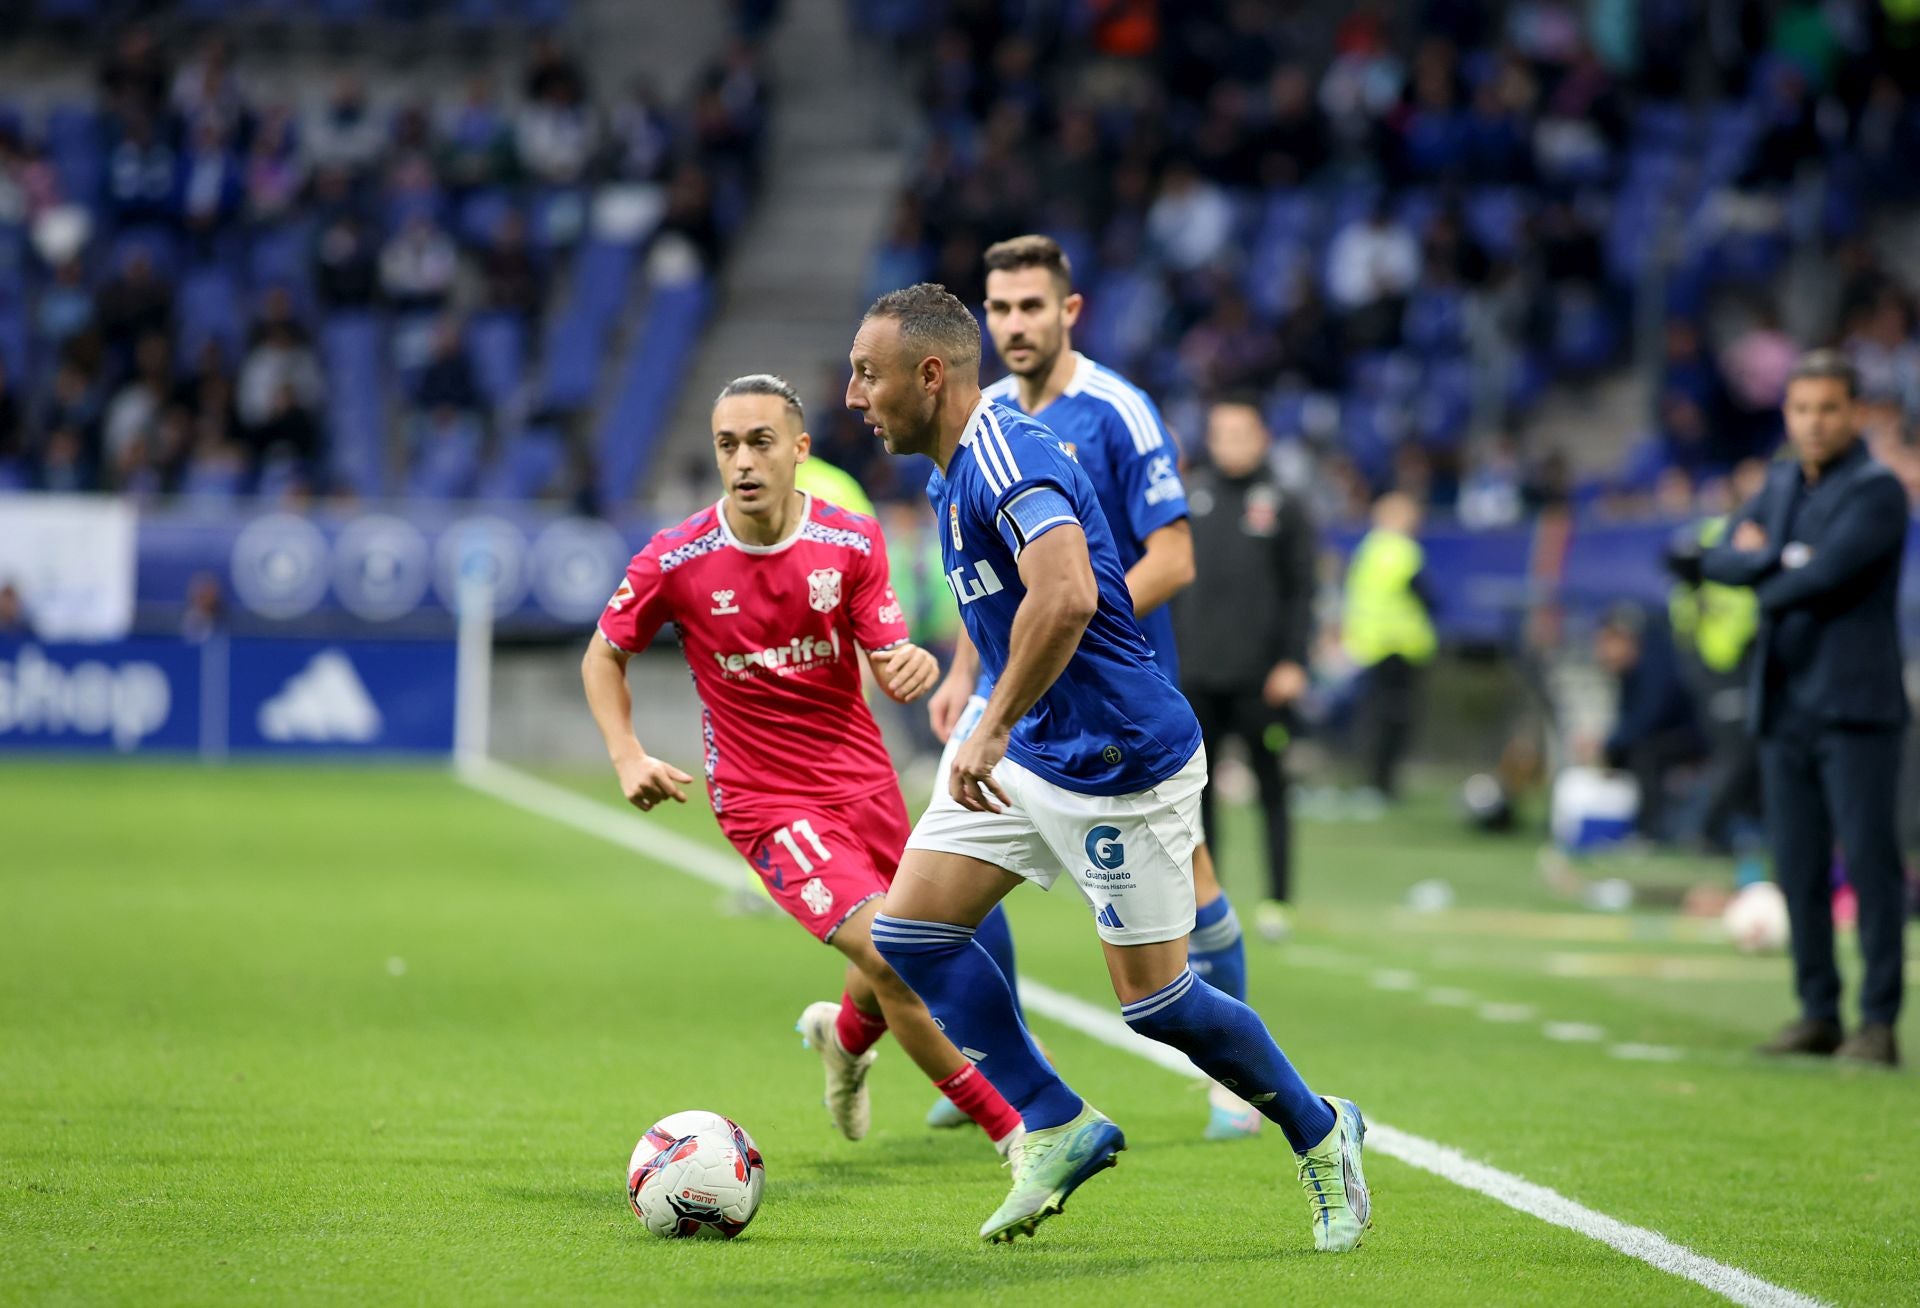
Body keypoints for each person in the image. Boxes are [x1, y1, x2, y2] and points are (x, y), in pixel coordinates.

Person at [848, 283, 1369, 1250]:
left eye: (867, 374)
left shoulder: (1008, 457)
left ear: (930, 375)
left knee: (1161, 1005)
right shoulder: (947, 471)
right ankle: (1054, 1121)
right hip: (1032, 747)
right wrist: (985, 694)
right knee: (909, 936)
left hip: (1121, 761)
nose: (852, 395)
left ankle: (1323, 1129)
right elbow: (1004, 608)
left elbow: (1070, 592)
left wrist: (992, 721)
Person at [582, 373, 1025, 1152]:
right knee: (895, 956)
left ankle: (846, 1041)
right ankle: (1016, 1131)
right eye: (728, 446)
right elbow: (602, 655)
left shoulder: (850, 541)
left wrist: (907, 668)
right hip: (764, 798)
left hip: (863, 780)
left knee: (912, 938)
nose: (744, 461)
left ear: (799, 449)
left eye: (760, 442)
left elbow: (886, 650)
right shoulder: (677, 558)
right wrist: (626, 756)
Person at [924, 234, 1262, 1141]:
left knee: (1190, 884)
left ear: (1070, 311)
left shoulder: (1121, 411)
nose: (1015, 324)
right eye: (999, 309)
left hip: (1118, 693)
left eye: (1032, 306)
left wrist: (1072, 624)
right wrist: (970, 669)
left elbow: (1174, 557)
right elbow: (987, 565)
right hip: (1016, 696)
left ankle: (1234, 1086)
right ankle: (998, 1072)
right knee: (945, 883)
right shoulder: (981, 413)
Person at [1701, 350, 1911, 1067]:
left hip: (1855, 705)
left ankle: (1877, 1022)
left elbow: (1822, 576)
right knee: (1797, 864)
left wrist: (1774, 562)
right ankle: (1818, 1011)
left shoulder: (1879, 490)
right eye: (1801, 409)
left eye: (1828, 409)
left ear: (1855, 413)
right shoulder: (1782, 478)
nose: (1814, 423)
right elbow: (1718, 558)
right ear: (1786, 414)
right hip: (1784, 700)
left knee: (1871, 864)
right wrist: (1780, 560)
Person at [1176, 398, 1317, 943]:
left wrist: (1293, 661)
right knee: (1196, 797)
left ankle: (1278, 900)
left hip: (1264, 679)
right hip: (1198, 676)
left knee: (1274, 789)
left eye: (1241, 432)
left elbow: (1303, 589)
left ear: (1262, 436)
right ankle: (1207, 905)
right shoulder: (1193, 497)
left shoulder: (1284, 503)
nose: (1231, 442)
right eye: (1221, 432)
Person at [1342, 492, 1436, 800]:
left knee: (1375, 715)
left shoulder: (1368, 549)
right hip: (1400, 646)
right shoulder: (1402, 550)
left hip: (1371, 645)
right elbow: (1423, 594)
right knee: (1395, 719)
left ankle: (1373, 779)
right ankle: (1385, 783)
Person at [1589, 604, 1705, 842]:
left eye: (1607, 643)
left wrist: (1608, 744)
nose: (1602, 652)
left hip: (1692, 735)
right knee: (1626, 754)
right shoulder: (1629, 671)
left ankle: (1649, 833)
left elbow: (1648, 717)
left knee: (1645, 755)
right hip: (1663, 736)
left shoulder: (1655, 667)